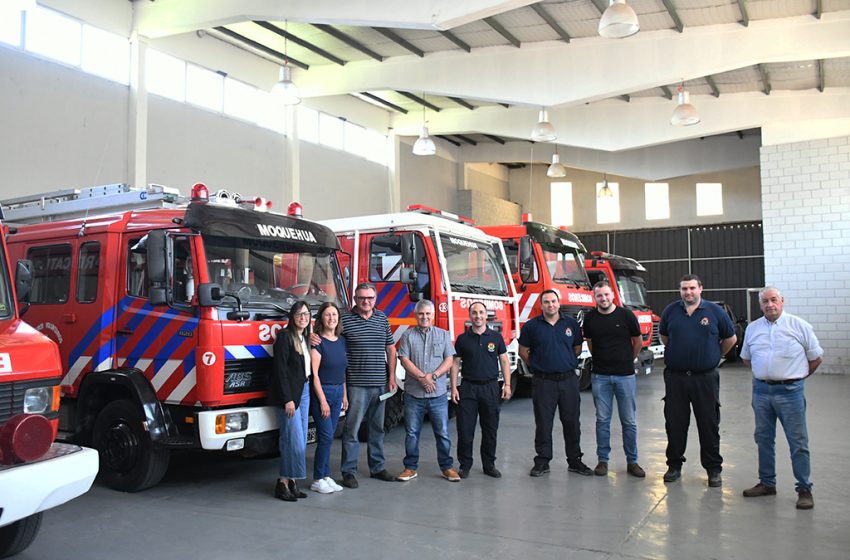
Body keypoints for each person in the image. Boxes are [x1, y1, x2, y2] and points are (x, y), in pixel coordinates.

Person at [740, 286, 823, 510]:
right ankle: (767, 483)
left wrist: (795, 377)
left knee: (798, 443)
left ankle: (804, 489)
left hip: (790, 393)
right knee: (763, 439)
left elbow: (816, 358)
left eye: (773, 300)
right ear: (760, 305)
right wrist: (766, 375)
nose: (770, 305)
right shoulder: (753, 328)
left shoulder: (799, 326)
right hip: (761, 392)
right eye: (765, 302)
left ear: (782, 301)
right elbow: (747, 359)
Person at [659, 274, 736, 487]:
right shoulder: (670, 311)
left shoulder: (715, 312)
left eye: (692, 288)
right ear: (680, 291)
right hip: (676, 379)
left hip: (705, 379)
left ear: (700, 288)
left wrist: (713, 357)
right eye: (684, 289)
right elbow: (665, 337)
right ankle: (674, 466)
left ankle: (713, 470)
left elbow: (731, 338)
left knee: (709, 424)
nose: (688, 292)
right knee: (675, 424)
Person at [518, 289, 592, 477]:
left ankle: (575, 461)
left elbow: (576, 348)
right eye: (546, 302)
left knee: (572, 422)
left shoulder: (571, 324)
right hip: (544, 382)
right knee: (543, 423)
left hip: (568, 381)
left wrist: (563, 361)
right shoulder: (531, 326)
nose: (550, 305)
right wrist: (537, 364)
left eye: (553, 301)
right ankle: (542, 462)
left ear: (559, 303)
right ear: (541, 305)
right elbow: (523, 351)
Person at [582, 281, 645, 478]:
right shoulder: (590, 318)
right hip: (600, 376)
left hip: (625, 376)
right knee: (602, 420)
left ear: (613, 295)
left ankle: (632, 461)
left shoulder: (626, 315)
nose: (604, 299)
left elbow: (638, 342)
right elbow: (590, 343)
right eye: (599, 295)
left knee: (629, 421)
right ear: (595, 297)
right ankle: (603, 461)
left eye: (607, 295)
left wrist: (627, 360)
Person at [338, 283, 397, 488]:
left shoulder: (382, 318)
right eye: (362, 298)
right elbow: (332, 343)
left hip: (380, 384)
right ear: (355, 299)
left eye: (370, 298)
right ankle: (348, 471)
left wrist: (391, 377)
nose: (366, 301)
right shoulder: (344, 319)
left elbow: (390, 349)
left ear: (375, 299)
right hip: (356, 385)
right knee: (352, 430)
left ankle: (378, 467)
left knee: (377, 428)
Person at [396, 299, 460, 482]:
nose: (424, 317)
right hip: (413, 395)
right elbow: (404, 360)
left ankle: (447, 467)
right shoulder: (408, 336)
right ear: (416, 316)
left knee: (442, 433)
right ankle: (410, 468)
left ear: (433, 316)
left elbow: (449, 359)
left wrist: (432, 377)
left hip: (437, 394)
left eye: (428, 314)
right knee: (411, 433)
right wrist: (422, 378)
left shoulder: (443, 334)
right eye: (421, 314)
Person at [450, 301, 512, 479]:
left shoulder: (496, 337)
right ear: (470, 316)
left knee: (490, 429)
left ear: (487, 315)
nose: (478, 316)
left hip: (491, 388)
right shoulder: (463, 339)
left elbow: (504, 361)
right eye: (474, 313)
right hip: (468, 388)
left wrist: (507, 385)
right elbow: (455, 363)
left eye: (481, 313)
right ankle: (465, 465)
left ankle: (489, 464)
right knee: (465, 429)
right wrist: (454, 387)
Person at [269, 300, 312, 502]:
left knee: (301, 439)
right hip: (290, 396)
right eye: (298, 314)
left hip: (304, 391)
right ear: (292, 318)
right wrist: (288, 400)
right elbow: (280, 372)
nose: (303, 317)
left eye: (306, 314)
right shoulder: (285, 337)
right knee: (291, 439)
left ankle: (293, 481)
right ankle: (282, 483)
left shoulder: (305, 338)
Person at [308, 302, 347, 494]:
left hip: (338, 392)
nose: (331, 318)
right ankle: (317, 479)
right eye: (327, 315)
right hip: (323, 392)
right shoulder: (317, 343)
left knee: (330, 437)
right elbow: (314, 375)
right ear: (321, 319)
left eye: (334, 315)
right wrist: (322, 400)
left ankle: (325, 475)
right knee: (324, 437)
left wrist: (345, 395)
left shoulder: (341, 341)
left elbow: (343, 371)